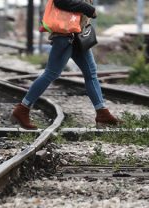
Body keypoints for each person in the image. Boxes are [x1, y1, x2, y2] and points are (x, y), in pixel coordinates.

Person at [10, 0, 121, 130]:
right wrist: (88, 8)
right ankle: (22, 109)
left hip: (78, 34)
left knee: (91, 73)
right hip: (65, 35)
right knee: (51, 73)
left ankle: (102, 113)